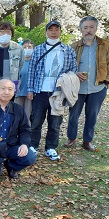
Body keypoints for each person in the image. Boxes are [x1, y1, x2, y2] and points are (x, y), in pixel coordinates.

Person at [27, 20, 77, 160]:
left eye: (56, 29)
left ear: (60, 31)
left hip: (58, 93)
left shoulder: (68, 50)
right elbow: (32, 70)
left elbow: (73, 70)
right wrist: (30, 89)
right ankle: (33, 145)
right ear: (46, 32)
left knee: (55, 122)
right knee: (36, 120)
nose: (54, 32)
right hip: (40, 90)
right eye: (51, 30)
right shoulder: (38, 49)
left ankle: (51, 148)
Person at [64, 16, 109, 151]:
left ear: (96, 28)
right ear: (81, 30)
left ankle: (87, 141)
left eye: (91, 27)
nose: (88, 31)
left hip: (97, 87)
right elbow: (67, 66)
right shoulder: (74, 46)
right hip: (77, 88)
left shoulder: (106, 45)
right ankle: (71, 138)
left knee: (92, 116)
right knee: (74, 115)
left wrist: (106, 82)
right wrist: (74, 74)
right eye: (85, 28)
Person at [0, 79, 36, 184]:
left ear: (14, 92)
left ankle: (10, 166)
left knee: (30, 156)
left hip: (11, 146)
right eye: (3, 88)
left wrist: (24, 144)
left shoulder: (18, 109)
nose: (6, 92)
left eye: (10, 89)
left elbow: (25, 129)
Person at [14, 39, 34, 124]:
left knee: (27, 115)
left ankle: (26, 134)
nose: (27, 49)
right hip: (18, 93)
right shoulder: (18, 61)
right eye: (25, 47)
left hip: (30, 94)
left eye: (29, 47)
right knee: (17, 115)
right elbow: (14, 75)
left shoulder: (35, 62)